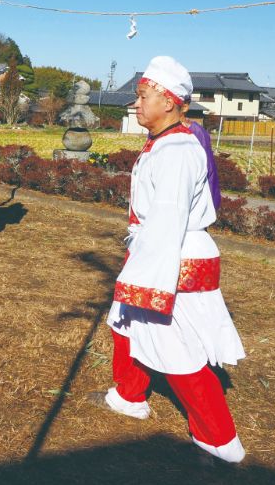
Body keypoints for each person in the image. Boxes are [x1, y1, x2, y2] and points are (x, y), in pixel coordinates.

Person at [90, 56, 246, 463]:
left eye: (143, 97)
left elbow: (168, 218)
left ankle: (219, 439)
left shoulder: (176, 150)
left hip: (172, 255)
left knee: (175, 348)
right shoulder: (166, 143)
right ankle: (129, 395)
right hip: (158, 251)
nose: (136, 105)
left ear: (170, 100)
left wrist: (147, 280)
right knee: (124, 322)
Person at [180, 107, 221, 210]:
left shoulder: (196, 132)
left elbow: (208, 169)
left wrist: (210, 206)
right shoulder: (156, 131)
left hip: (188, 207)